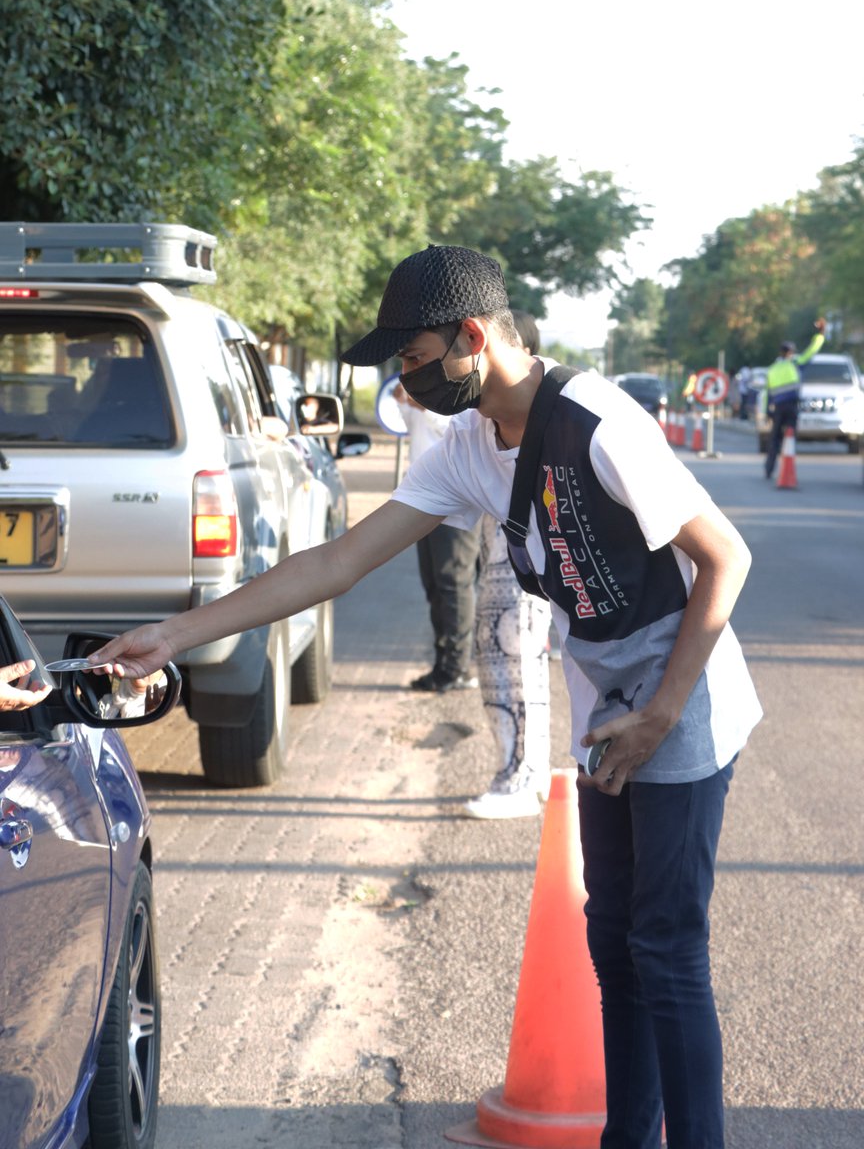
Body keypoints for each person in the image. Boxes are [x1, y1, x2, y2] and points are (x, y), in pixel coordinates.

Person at [90, 244, 762, 1149]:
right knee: (614, 944)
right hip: (610, 701)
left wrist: (663, 714)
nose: (403, 384)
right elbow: (335, 562)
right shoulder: (469, 449)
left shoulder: (599, 423)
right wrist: (173, 635)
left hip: (685, 689)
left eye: (410, 359)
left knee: (668, 947)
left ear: (472, 337)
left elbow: (726, 557)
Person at [466, 307, 552, 819]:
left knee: (513, 664)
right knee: (510, 663)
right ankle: (524, 768)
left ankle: (519, 775)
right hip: (501, 569)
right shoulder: (494, 425)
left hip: (519, 577)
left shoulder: (541, 420)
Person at [394, 381, 480, 693]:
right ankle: (443, 662)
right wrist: (404, 405)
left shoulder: (460, 388)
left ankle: (456, 668)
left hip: (454, 503)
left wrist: (424, 406)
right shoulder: (423, 389)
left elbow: (459, 432)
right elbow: (411, 427)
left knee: (453, 583)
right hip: (422, 501)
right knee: (434, 584)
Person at [762, 318, 826, 479]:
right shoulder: (795, 363)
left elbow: (767, 394)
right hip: (791, 407)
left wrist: (766, 412)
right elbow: (812, 351)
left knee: (774, 439)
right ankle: (787, 468)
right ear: (791, 353)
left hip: (777, 408)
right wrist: (820, 334)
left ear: (780, 352)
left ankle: (769, 469)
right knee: (790, 437)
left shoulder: (772, 369)